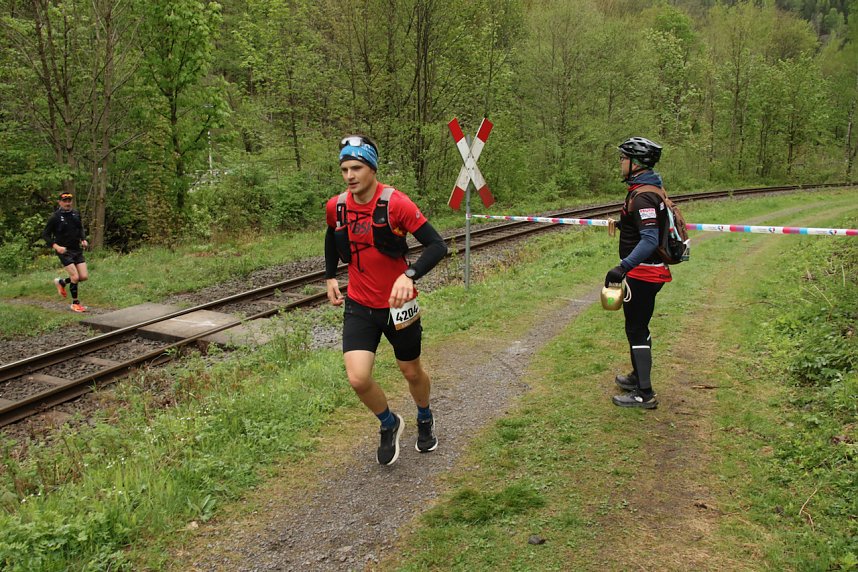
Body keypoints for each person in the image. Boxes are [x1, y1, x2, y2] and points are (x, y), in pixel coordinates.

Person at [325, 135, 448, 465]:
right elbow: (330, 235)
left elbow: (438, 245)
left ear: (372, 169)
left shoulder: (396, 204)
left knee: (411, 372)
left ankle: (424, 416)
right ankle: (389, 423)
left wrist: (409, 276)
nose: (350, 176)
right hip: (360, 306)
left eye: (357, 168)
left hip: (398, 307)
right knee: (357, 378)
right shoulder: (336, 206)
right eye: (344, 169)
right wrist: (329, 276)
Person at [605, 137, 671, 409]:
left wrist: (622, 268)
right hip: (646, 271)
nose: (620, 163)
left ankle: (645, 393)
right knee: (637, 327)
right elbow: (643, 224)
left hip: (644, 274)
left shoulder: (643, 194)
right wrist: (623, 224)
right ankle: (636, 377)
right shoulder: (647, 188)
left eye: (623, 158)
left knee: (636, 329)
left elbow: (649, 239)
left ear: (635, 163)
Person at [42, 192, 89, 312]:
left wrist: (83, 239)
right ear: (60, 202)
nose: (67, 203)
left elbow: (80, 228)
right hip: (64, 250)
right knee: (75, 276)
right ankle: (75, 303)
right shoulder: (55, 217)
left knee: (83, 276)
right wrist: (55, 246)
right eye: (65, 201)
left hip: (76, 249)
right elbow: (45, 235)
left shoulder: (75, 213)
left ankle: (61, 282)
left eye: (69, 201)